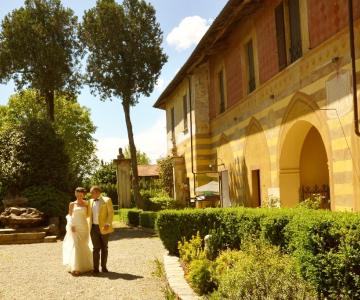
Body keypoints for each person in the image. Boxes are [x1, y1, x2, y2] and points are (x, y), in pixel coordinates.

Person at [63, 187, 93, 276]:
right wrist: (71, 225)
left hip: (84, 227)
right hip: (75, 227)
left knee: (84, 245)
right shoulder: (72, 204)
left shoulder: (87, 204)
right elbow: (69, 215)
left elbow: (89, 216)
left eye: (81, 194)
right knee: (76, 245)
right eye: (77, 194)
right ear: (75, 194)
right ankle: (76, 267)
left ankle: (87, 266)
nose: (79, 196)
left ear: (83, 195)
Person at [88, 185, 114, 273]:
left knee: (104, 248)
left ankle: (104, 267)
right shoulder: (90, 201)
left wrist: (107, 223)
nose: (91, 194)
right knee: (95, 248)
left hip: (104, 228)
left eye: (92, 192)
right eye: (91, 192)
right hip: (93, 228)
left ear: (98, 192)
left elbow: (110, 213)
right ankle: (95, 269)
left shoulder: (107, 200)